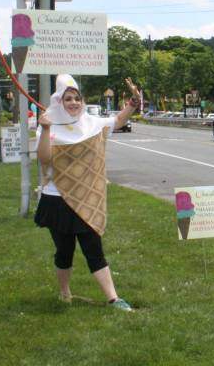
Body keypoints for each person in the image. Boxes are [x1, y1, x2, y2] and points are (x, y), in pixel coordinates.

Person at [34, 74, 140, 312]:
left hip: (87, 198)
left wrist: (134, 100)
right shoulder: (48, 125)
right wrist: (45, 128)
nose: (73, 103)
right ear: (59, 101)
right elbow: (44, 159)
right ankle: (64, 293)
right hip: (57, 200)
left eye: (77, 98)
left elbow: (119, 121)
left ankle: (113, 298)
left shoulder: (92, 124)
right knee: (64, 251)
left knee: (94, 248)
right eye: (68, 99)